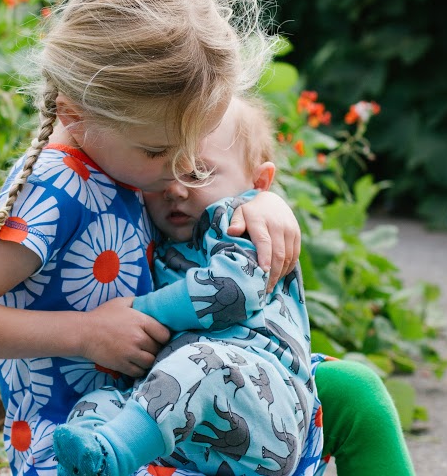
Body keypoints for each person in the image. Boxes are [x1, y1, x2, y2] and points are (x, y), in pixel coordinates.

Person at [0, 0, 302, 476]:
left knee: (339, 393)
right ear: (76, 112)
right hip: (71, 450)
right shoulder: (55, 189)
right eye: (163, 152)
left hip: (154, 431)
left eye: (195, 152)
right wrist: (84, 333)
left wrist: (263, 202)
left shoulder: (127, 161)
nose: (182, 173)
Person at [52, 95, 324, 476]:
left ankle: (114, 454)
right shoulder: (154, 234)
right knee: (98, 403)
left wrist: (138, 311)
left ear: (258, 182)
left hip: (263, 411)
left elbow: (229, 292)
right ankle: (94, 460)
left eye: (197, 173)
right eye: (163, 169)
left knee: (204, 364)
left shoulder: (240, 222)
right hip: (187, 431)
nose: (176, 189)